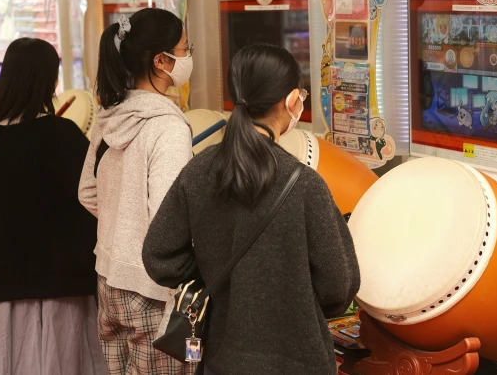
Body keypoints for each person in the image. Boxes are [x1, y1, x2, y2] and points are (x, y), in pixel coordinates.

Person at [142, 44, 360, 375]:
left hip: (221, 358)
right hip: (299, 361)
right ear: (290, 102)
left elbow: (158, 255)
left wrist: (211, 272)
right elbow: (338, 287)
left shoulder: (198, 171)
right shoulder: (304, 184)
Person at [0, 38, 105, 375]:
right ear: (45, 79)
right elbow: (91, 195)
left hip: (9, 269)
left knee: (18, 354)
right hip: (61, 273)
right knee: (64, 357)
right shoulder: (61, 133)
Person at [78, 9, 194, 375]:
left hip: (108, 277)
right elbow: (169, 217)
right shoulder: (169, 128)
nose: (188, 57)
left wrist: (123, 226)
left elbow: (86, 191)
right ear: (162, 61)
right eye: (185, 49)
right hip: (153, 289)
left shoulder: (110, 113)